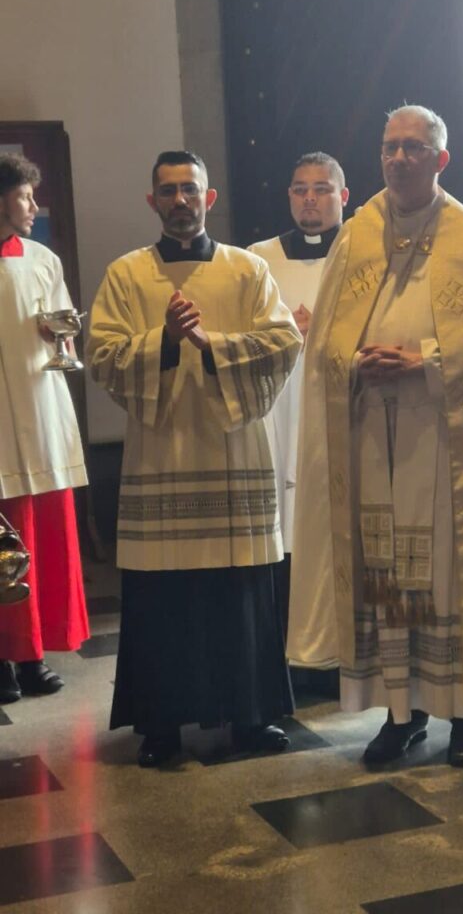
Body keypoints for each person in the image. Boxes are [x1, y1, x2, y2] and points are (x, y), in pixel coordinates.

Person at [287, 105, 463, 767]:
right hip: (373, 431)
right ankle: (403, 712)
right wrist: (353, 361)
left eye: (414, 147)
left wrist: (425, 361)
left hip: (444, 435)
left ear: (441, 159)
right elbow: (325, 341)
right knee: (389, 574)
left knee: (448, 571)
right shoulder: (358, 234)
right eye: (390, 146)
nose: (398, 158)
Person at [86, 150, 302, 767]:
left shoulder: (247, 269)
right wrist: (164, 340)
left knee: (239, 591)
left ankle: (251, 718)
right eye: (168, 191)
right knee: (164, 596)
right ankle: (161, 725)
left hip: (235, 455)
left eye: (190, 189)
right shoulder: (127, 274)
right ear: (151, 201)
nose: (180, 200)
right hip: (161, 457)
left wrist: (212, 344)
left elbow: (283, 342)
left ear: (210, 198)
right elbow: (101, 354)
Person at [0, 153, 89, 704]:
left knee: (37, 538)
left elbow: (65, 334)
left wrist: (60, 335)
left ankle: (32, 655)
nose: (34, 206)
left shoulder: (42, 260)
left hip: (37, 411)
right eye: (25, 197)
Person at [249, 152, 349, 631]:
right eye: (300, 189)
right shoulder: (258, 259)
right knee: (287, 530)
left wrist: (324, 327)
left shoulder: (363, 253)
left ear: (342, 196)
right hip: (281, 414)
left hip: (342, 406)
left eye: (322, 189)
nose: (310, 198)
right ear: (289, 196)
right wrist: (283, 330)